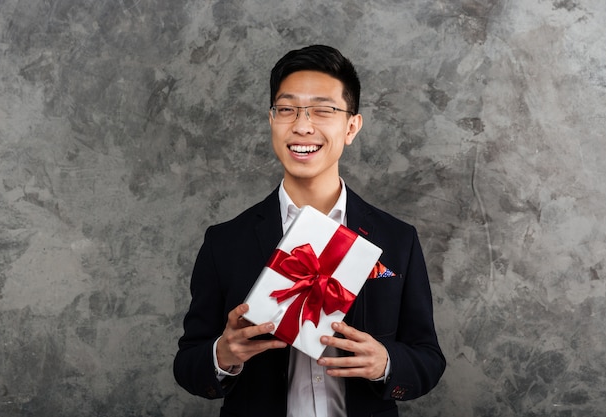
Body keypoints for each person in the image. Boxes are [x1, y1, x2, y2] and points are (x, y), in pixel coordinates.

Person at [173, 45, 445, 417]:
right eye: (286, 109)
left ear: (351, 126)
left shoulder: (397, 239)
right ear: (271, 120)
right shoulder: (225, 242)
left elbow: (428, 359)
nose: (302, 125)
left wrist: (386, 363)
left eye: (323, 110)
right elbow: (188, 362)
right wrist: (222, 354)